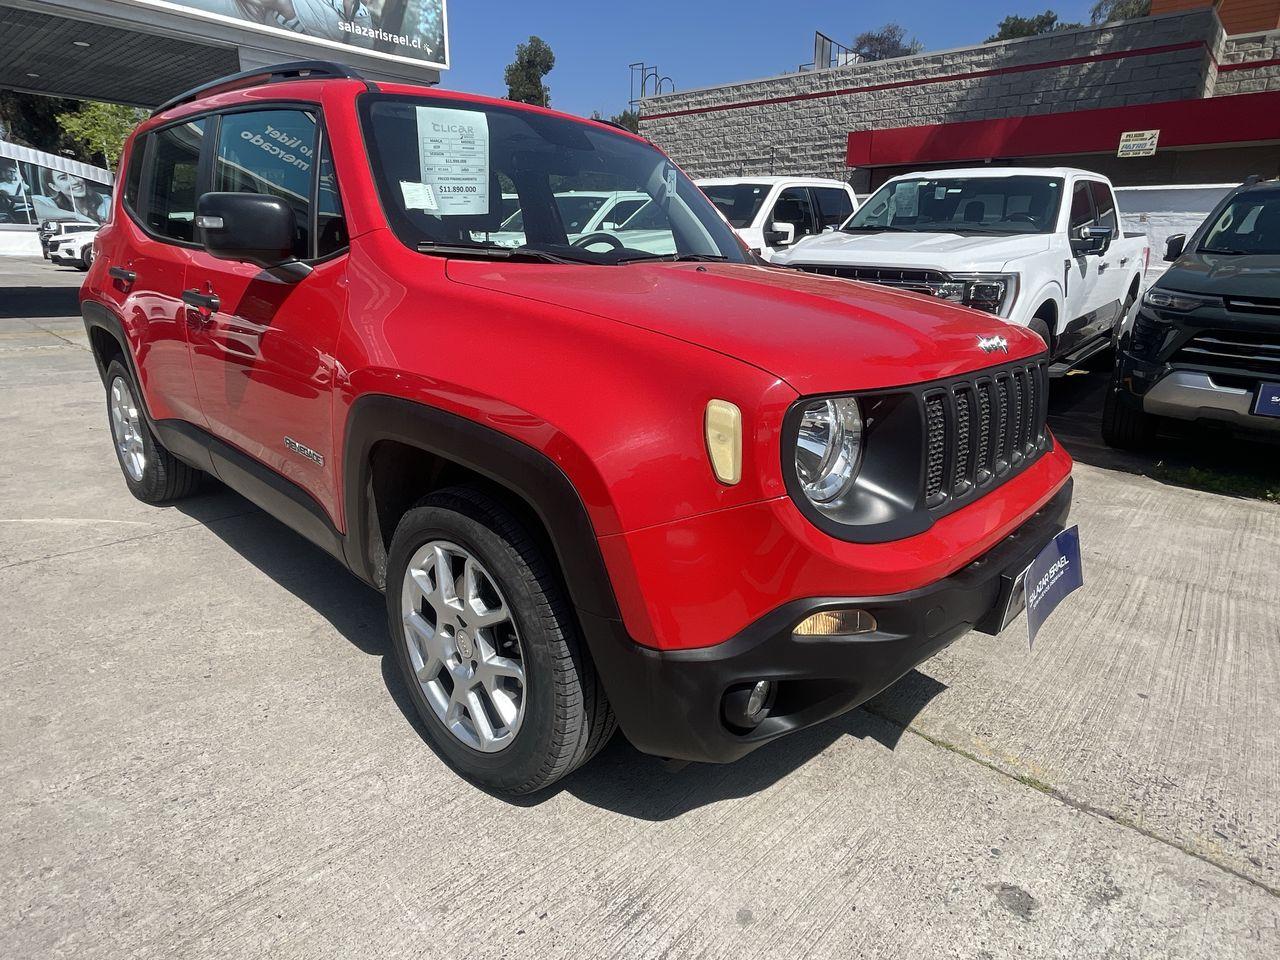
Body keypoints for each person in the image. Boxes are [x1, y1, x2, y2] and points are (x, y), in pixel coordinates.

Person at [42, 169, 110, 224]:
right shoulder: (50, 203)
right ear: (54, 187)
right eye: (63, 178)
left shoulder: (105, 201)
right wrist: (76, 216)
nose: (75, 181)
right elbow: (38, 209)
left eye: (75, 174)